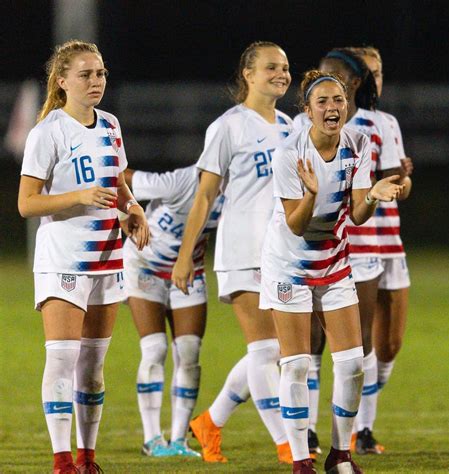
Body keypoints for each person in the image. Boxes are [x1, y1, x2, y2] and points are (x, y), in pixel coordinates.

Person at [259, 69, 404, 474]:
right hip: (289, 268)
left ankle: (340, 455)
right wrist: (311, 194)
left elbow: (357, 215)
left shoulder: (356, 144)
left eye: (337, 101)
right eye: (321, 102)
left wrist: (372, 196)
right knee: (298, 364)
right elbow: (295, 224)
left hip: (335, 264)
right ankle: (301, 461)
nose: (331, 108)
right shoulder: (290, 154)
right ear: (306, 111)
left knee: (353, 363)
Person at [18, 40, 150, 474]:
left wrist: (132, 210)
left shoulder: (110, 124)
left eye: (101, 74)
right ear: (62, 81)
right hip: (63, 259)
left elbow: (117, 182)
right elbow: (27, 204)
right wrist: (78, 197)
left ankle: (88, 458)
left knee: (92, 367)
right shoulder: (48, 131)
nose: (96, 82)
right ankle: (62, 461)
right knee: (62, 358)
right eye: (85, 75)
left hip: (108, 258)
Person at [172, 41, 294, 464]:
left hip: (283, 252)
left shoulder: (291, 126)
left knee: (279, 349)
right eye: (271, 67)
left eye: (285, 67)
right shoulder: (228, 126)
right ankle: (288, 445)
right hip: (242, 248)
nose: (281, 74)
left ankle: (210, 422)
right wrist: (186, 255)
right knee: (266, 351)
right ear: (248, 74)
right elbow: (205, 196)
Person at [294, 47, 411, 457]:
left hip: (368, 245)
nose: (322, 90)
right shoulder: (299, 127)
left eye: (333, 86)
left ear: (351, 88)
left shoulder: (371, 129)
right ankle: (308, 431)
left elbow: (388, 185)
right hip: (311, 248)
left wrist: (389, 186)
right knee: (307, 344)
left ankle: (352, 433)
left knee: (365, 344)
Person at [121, 165, 224, 457]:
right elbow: (122, 177)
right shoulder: (181, 181)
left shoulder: (234, 190)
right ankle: (152, 439)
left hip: (189, 271)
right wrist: (123, 214)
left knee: (189, 353)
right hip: (145, 266)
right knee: (154, 349)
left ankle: (179, 439)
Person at [349, 46, 413, 454]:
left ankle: (360, 417)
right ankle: (361, 428)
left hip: (390, 240)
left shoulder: (386, 122)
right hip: (357, 243)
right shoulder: (342, 121)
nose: (377, 80)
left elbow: (400, 187)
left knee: (389, 344)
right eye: (370, 73)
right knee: (359, 343)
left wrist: (402, 182)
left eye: (381, 72)